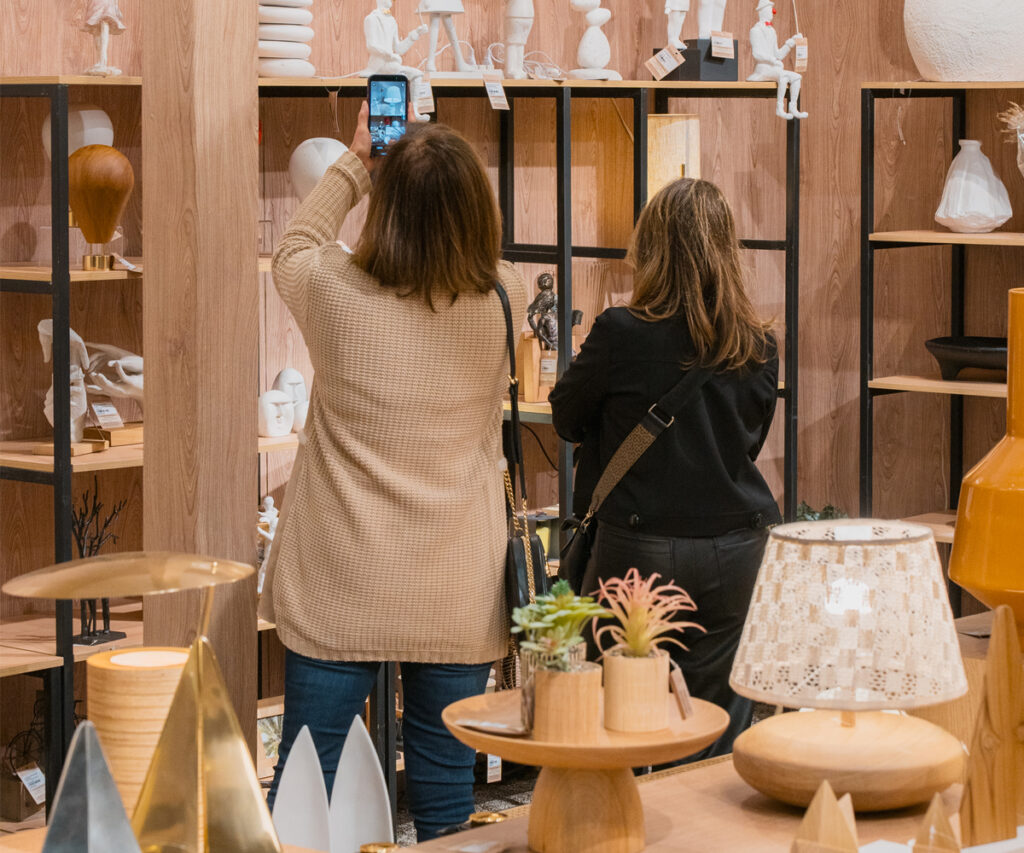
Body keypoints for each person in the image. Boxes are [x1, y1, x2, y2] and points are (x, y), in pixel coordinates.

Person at [261, 102, 526, 840]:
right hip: (455, 584)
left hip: (339, 583)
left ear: (385, 209)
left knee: (307, 780)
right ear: (477, 211)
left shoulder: (334, 292)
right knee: (445, 792)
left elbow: (298, 245)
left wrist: (357, 161)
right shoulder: (504, 296)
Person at [548, 177, 780, 756]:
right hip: (738, 551)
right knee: (717, 726)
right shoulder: (758, 343)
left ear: (650, 247)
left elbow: (566, 419)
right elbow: (747, 444)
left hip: (638, 549)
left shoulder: (620, 332)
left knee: (620, 719)